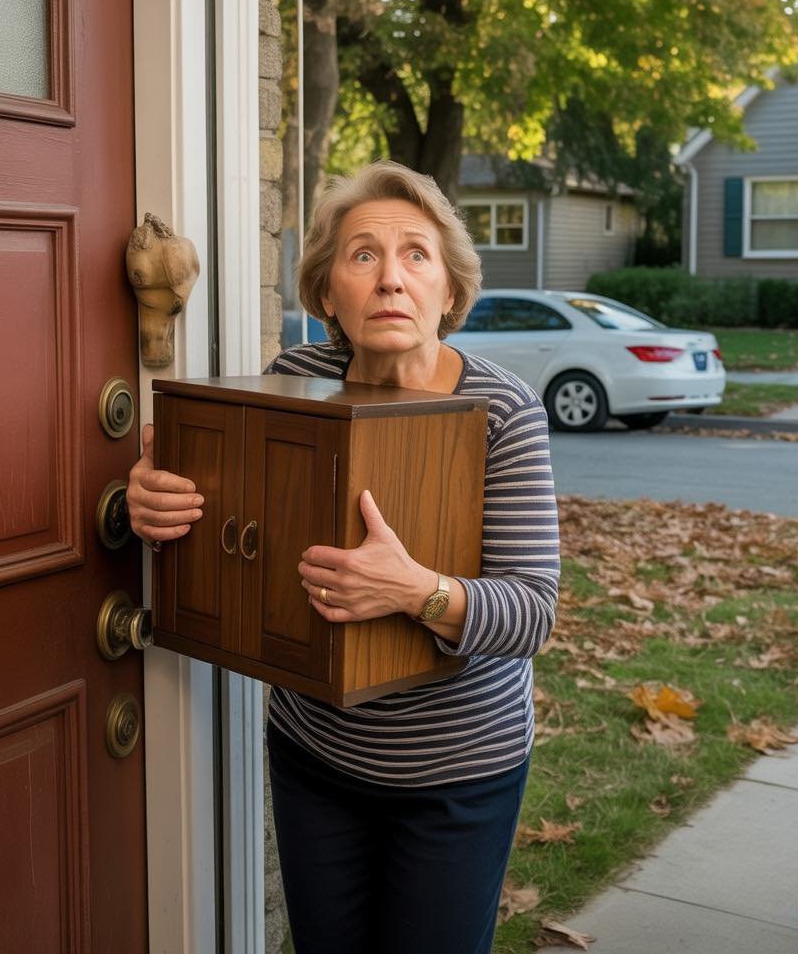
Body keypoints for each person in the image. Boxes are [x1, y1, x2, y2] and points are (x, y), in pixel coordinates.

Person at [126, 160, 561, 953]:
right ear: (328, 294)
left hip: (458, 775)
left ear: (450, 291)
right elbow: (234, 525)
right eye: (364, 255)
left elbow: (532, 614)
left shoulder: (503, 410)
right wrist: (156, 508)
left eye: (416, 255)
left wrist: (416, 591)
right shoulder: (295, 379)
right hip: (314, 757)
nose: (391, 278)